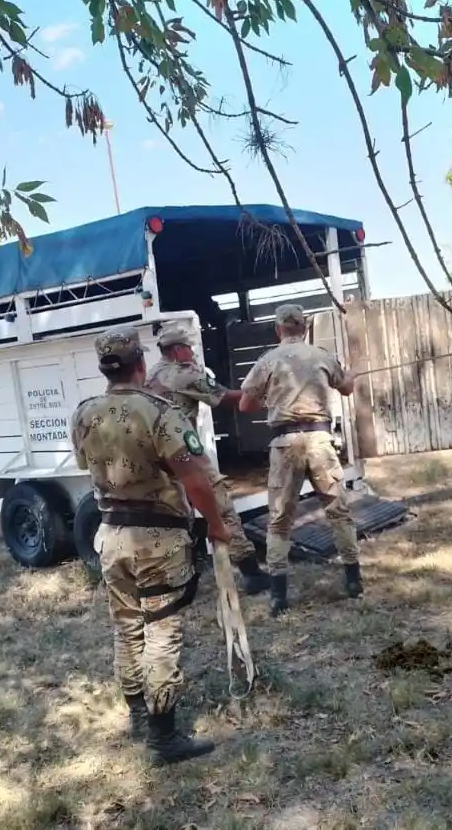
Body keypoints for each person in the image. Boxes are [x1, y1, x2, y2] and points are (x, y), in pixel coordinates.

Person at [69, 324, 231, 766]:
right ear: (141, 364)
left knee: (126, 628)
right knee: (161, 631)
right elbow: (195, 478)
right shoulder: (158, 411)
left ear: (105, 367)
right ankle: (163, 737)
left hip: (111, 536)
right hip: (157, 539)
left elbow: (88, 464)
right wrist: (215, 525)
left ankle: (138, 717)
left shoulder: (84, 413)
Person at [238, 304, 360, 616]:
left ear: (278, 329)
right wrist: (350, 376)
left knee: (279, 519)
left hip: (285, 443)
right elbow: (346, 388)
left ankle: (279, 595)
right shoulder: (322, 355)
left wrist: (271, 397)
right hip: (320, 441)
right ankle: (354, 581)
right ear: (303, 327)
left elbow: (245, 405)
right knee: (339, 512)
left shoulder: (268, 360)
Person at [145, 325, 271, 596]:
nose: (192, 352)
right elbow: (226, 398)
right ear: (178, 350)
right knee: (222, 507)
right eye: (189, 347)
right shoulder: (185, 374)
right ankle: (251, 573)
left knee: (173, 517)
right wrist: (263, 393)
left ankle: (175, 577)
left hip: (157, 457)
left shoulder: (151, 374)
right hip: (184, 452)